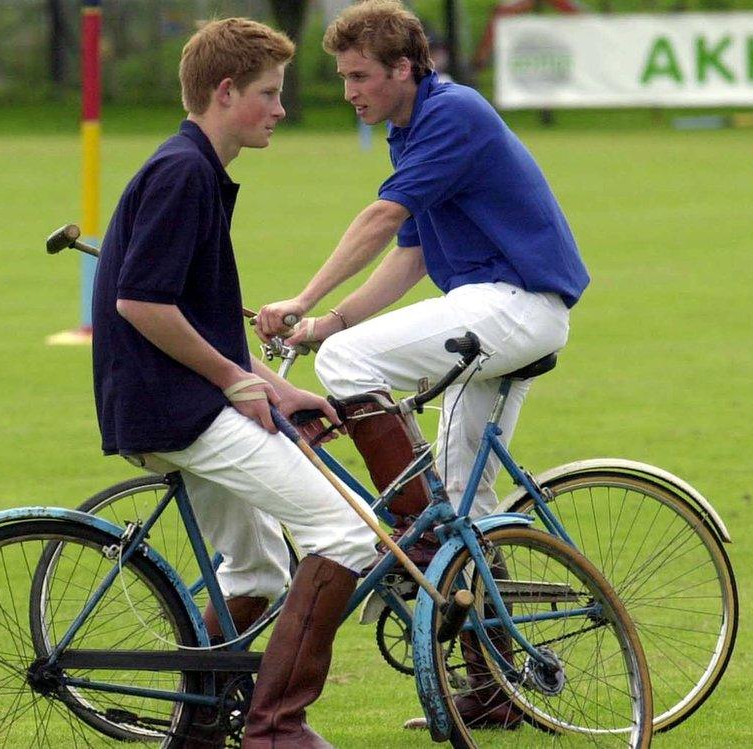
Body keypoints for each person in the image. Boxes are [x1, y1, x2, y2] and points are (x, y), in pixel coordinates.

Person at [255, 0, 589, 730]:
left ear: (405, 68)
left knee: (350, 363)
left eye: (360, 76)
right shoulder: (412, 132)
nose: (350, 92)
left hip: (516, 302)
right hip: (495, 306)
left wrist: (307, 299)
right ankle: (498, 687)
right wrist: (327, 321)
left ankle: (420, 536)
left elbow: (383, 220)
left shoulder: (453, 115)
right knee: (467, 502)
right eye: (343, 77)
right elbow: (412, 253)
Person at [91, 18, 378, 749]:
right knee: (345, 532)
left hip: (178, 400)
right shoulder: (183, 172)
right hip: (176, 407)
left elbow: (201, 317)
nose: (281, 109)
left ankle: (197, 724)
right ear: (225, 92)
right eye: (268, 93)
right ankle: (275, 728)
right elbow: (140, 303)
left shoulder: (199, 171)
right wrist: (236, 382)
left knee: (258, 563)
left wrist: (275, 388)